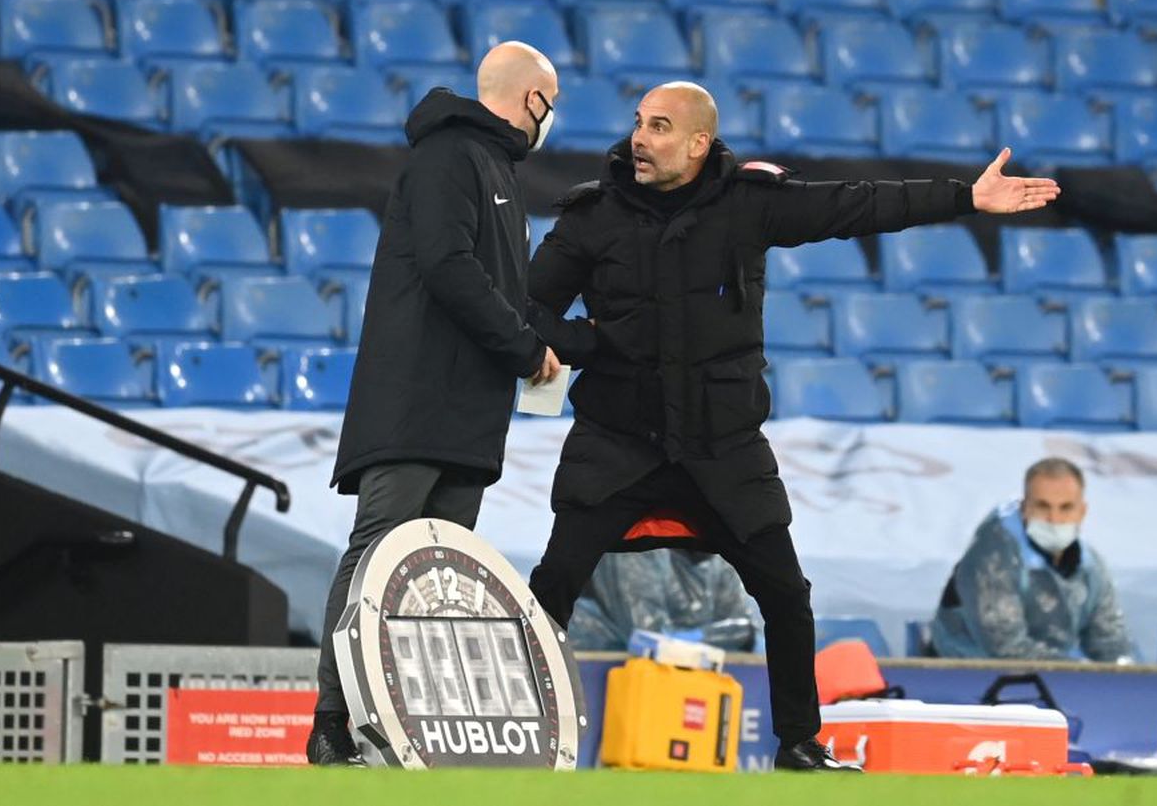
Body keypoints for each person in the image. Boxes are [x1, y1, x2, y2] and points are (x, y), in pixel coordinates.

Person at [525, 81, 1060, 772]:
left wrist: (965, 196)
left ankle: (798, 744)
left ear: (698, 143)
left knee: (786, 593)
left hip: (724, 448)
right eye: (638, 123)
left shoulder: (748, 204)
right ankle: (521, 731)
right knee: (552, 585)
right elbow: (529, 314)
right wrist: (592, 343)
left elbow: (857, 205)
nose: (639, 138)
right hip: (617, 442)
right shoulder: (592, 217)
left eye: (659, 126)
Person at [306, 41, 565, 766]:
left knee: (437, 575)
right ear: (532, 99)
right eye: (552, 103)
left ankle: (408, 726)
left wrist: (548, 340)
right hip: (414, 400)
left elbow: (501, 293)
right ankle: (332, 721)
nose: (552, 119)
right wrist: (522, 347)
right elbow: (450, 269)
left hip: (467, 411)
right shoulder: (451, 156)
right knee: (376, 556)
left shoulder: (495, 168)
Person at [931, 457, 1133, 662]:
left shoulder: (1091, 567)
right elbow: (1005, 648)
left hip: (1057, 676)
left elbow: (1110, 641)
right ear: (1025, 508)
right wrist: (1080, 669)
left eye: (1066, 507)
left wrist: (1123, 672)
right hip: (966, 675)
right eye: (1043, 506)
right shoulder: (992, 555)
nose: (1054, 519)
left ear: (1082, 512)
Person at [568, 546, 759, 652]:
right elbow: (647, 639)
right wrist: (715, 637)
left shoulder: (720, 562)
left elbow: (746, 631)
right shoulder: (631, 547)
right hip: (592, 672)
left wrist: (698, 638)